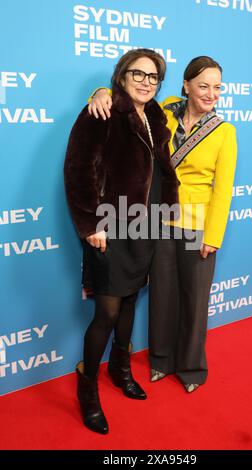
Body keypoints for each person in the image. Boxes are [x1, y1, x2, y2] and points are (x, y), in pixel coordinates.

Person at [88, 56, 237, 393]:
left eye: (217, 87)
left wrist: (213, 236)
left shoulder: (225, 132)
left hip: (197, 227)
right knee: (162, 295)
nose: (210, 93)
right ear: (185, 86)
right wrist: (98, 92)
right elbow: (125, 100)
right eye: (203, 86)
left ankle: (192, 368)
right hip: (157, 221)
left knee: (195, 299)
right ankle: (160, 360)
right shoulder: (165, 110)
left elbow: (223, 190)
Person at [64, 49, 179, 434]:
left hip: (144, 228)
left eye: (154, 77)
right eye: (139, 74)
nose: (147, 82)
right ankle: (88, 391)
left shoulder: (158, 116)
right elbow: (79, 169)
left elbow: (163, 169)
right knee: (107, 313)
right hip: (109, 228)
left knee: (130, 303)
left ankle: (120, 367)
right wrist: (91, 225)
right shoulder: (103, 110)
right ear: (122, 75)